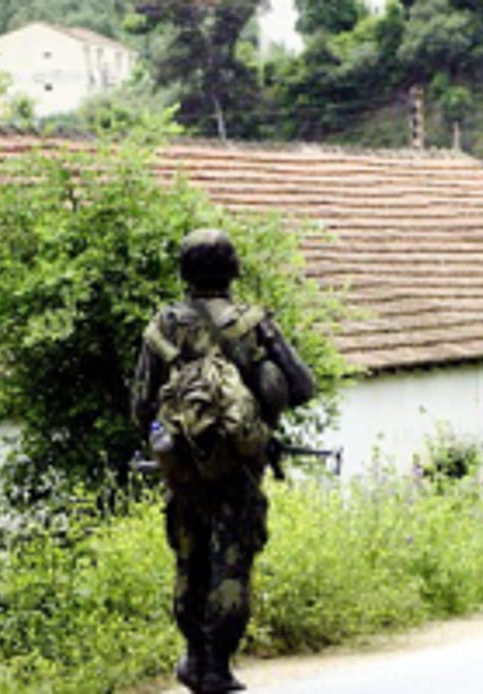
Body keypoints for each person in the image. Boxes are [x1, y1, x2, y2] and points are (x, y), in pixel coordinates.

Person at [132, 228, 316, 693]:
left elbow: (140, 403)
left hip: (182, 469)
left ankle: (193, 657)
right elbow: (301, 386)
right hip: (238, 467)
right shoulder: (250, 323)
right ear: (232, 270)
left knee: (188, 558)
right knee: (231, 563)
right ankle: (216, 665)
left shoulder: (163, 326)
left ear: (184, 272)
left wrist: (176, 441)